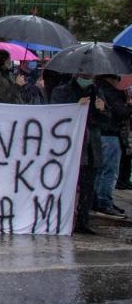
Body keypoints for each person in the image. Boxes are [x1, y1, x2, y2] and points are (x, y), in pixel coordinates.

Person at [49, 73, 103, 235]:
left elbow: (107, 122)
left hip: (91, 147)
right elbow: (54, 114)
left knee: (88, 186)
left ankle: (82, 220)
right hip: (69, 148)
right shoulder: (62, 91)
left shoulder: (97, 92)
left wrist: (102, 110)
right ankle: (60, 218)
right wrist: (74, 107)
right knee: (66, 185)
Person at [89, 75, 126, 218]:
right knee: (109, 171)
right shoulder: (108, 91)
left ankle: (99, 200)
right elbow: (120, 112)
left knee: (101, 170)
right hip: (110, 135)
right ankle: (104, 201)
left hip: (103, 135)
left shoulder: (98, 89)